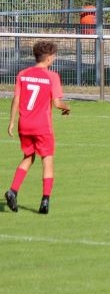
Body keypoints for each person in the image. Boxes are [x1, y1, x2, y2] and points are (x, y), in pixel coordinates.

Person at [5, 41, 71, 214]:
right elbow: (57, 103)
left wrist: (11, 121)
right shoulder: (52, 76)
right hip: (42, 126)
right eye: (54, 56)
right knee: (47, 159)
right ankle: (45, 201)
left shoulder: (23, 74)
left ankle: (13, 190)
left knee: (28, 156)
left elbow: (16, 99)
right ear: (49, 58)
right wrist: (67, 107)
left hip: (24, 124)